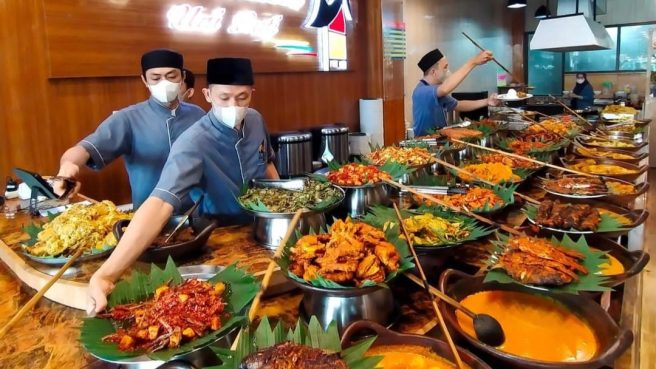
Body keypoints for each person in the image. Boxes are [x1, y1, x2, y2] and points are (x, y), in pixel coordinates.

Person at [87, 57, 279, 314]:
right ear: (207, 94)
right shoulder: (194, 142)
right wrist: (107, 275)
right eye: (224, 98)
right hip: (223, 243)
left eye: (242, 97)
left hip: (265, 234)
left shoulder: (255, 120)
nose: (234, 105)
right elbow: (160, 202)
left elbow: (266, 165)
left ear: (251, 94)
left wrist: (282, 216)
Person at [54, 49, 206, 209]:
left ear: (182, 77)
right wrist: (68, 164)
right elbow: (85, 149)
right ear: (145, 80)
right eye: (155, 78)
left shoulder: (197, 114)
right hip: (148, 216)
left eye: (171, 76)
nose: (164, 82)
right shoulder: (128, 118)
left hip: (197, 211)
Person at [412, 48, 500, 136]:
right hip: (423, 144)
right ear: (434, 72)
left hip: (440, 140)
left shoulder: (436, 91)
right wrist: (473, 62)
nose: (448, 71)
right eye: (445, 67)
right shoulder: (422, 91)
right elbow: (444, 89)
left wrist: (487, 101)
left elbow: (458, 105)